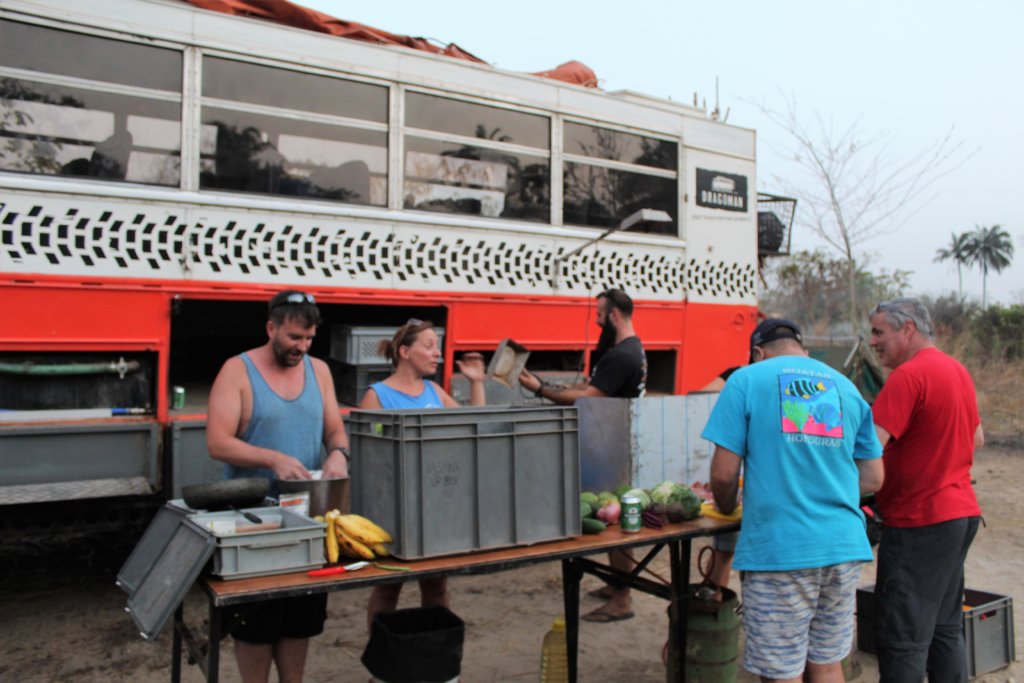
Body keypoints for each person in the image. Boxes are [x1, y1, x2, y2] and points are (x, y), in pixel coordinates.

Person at [703, 318, 884, 682]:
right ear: (802, 349)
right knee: (827, 662)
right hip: (843, 547)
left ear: (758, 352)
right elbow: (874, 478)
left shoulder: (745, 379)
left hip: (782, 551)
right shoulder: (846, 388)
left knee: (781, 671)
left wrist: (725, 506)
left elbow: (723, 475)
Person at [207, 290, 349, 683]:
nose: (301, 347)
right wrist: (272, 458)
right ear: (271, 328)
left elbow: (335, 430)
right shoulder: (236, 370)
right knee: (256, 623)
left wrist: (339, 454)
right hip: (255, 522)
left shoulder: (318, 370)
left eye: (308, 339)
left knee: (298, 620)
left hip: (309, 519)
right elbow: (218, 442)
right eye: (293, 338)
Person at [868, 298, 984, 683]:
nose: (873, 341)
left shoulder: (908, 376)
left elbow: (871, 447)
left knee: (903, 638)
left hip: (920, 520)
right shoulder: (956, 370)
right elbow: (977, 438)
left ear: (908, 329)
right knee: (944, 628)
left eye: (879, 332)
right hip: (958, 515)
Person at [519, 288, 647, 623]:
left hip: (611, 448)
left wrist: (540, 389)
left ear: (615, 315)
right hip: (616, 443)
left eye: (599, 314)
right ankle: (617, 584)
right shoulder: (634, 349)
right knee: (613, 519)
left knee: (613, 522)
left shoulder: (622, 356)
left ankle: (622, 598)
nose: (596, 320)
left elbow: (588, 397)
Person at [360, 319, 486, 629]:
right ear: (404, 351)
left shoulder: (434, 390)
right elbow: (368, 460)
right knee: (388, 587)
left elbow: (475, 426)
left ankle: (436, 656)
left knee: (436, 585)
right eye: (428, 346)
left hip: (435, 507)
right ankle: (382, 664)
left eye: (437, 348)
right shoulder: (376, 396)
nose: (437, 354)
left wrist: (476, 382)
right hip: (393, 509)